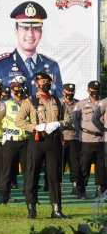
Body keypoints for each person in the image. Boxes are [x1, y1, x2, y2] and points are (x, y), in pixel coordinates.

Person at [15, 72, 70, 219]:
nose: (47, 84)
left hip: (54, 141)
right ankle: (32, 208)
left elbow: (68, 121)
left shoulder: (58, 101)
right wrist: (35, 127)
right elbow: (19, 121)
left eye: (48, 81)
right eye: (44, 81)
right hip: (37, 140)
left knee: (54, 176)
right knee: (33, 174)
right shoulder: (30, 101)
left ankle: (56, 209)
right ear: (37, 84)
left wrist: (58, 123)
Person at [0, 1, 63, 98]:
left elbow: (60, 102)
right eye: (25, 28)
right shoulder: (0, 65)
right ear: (16, 31)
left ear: (41, 33)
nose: (30, 34)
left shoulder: (52, 66)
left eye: (35, 29)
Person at [0, 76, 29, 204]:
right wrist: (7, 130)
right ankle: (4, 197)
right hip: (10, 140)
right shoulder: (6, 104)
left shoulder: (29, 103)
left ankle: (30, 197)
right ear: (12, 90)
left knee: (28, 170)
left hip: (25, 140)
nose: (18, 89)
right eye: (15, 87)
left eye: (20, 86)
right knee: (7, 170)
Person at [76, 81, 106, 199]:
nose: (95, 91)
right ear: (88, 90)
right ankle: (81, 190)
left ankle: (100, 190)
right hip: (86, 140)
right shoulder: (81, 104)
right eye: (93, 89)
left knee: (101, 167)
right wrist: (82, 132)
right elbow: (75, 120)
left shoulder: (103, 103)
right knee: (84, 166)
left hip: (100, 139)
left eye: (97, 89)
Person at [60, 83, 81, 196]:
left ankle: (75, 185)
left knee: (75, 163)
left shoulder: (78, 104)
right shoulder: (58, 102)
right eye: (68, 91)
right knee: (60, 162)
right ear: (64, 92)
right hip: (61, 137)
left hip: (74, 137)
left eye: (72, 91)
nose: (70, 93)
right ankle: (56, 184)